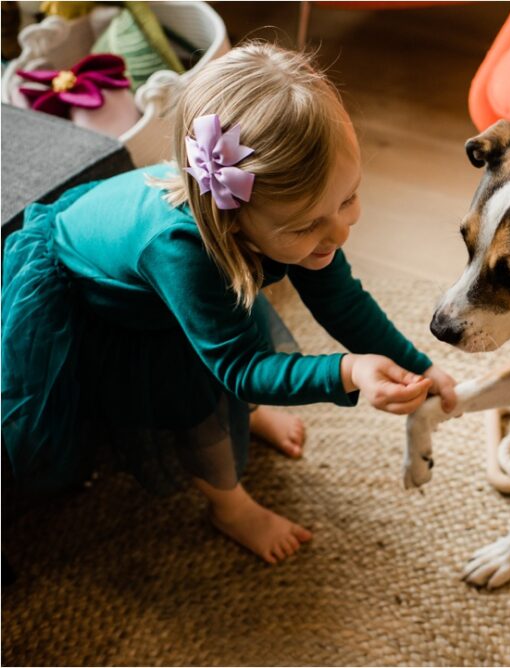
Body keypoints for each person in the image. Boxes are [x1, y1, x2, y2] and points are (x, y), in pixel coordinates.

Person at [1, 41, 457, 565]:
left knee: (246, 336)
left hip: (195, 276)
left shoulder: (290, 223)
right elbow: (239, 367)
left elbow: (343, 303)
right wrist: (349, 371)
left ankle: (252, 418)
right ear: (231, 220)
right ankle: (229, 505)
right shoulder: (183, 254)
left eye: (349, 198)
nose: (340, 230)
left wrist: (418, 365)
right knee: (199, 403)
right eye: (309, 224)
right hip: (122, 309)